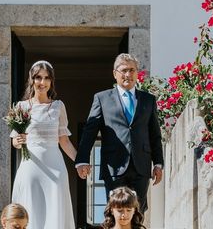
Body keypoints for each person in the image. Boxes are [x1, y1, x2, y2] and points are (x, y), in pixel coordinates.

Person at [75, 53, 164, 213]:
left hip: (141, 167)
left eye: (132, 70)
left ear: (137, 73)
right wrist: (82, 160)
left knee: (137, 212)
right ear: (115, 73)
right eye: (123, 70)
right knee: (116, 212)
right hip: (113, 166)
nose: (128, 74)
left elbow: (154, 134)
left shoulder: (148, 100)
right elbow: (90, 131)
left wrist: (158, 163)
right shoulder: (102, 98)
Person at [10, 60, 76, 229]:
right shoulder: (22, 107)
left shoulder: (58, 106)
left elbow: (64, 140)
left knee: (56, 207)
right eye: (38, 77)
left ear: (51, 81)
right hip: (30, 165)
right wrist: (17, 142)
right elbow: (15, 140)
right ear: (31, 80)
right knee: (31, 208)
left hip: (55, 165)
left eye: (47, 78)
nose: (42, 82)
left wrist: (80, 161)